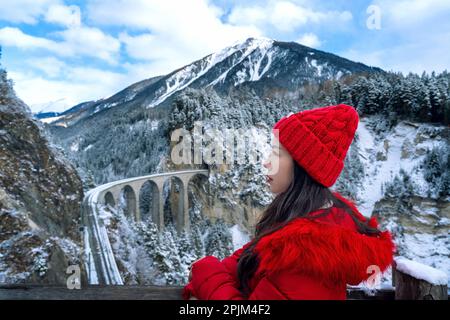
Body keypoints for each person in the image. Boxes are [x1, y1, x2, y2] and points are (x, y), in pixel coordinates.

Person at [183, 104, 395, 300]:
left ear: (304, 168)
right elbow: (256, 254)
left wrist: (207, 274)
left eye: (277, 153)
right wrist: (216, 272)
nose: (266, 163)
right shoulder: (317, 220)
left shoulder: (306, 255)